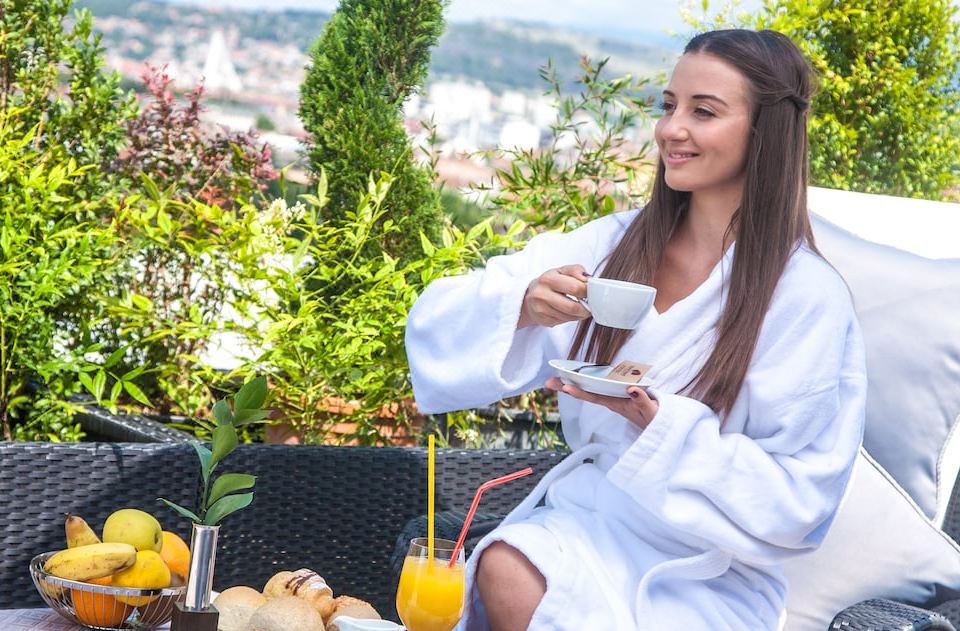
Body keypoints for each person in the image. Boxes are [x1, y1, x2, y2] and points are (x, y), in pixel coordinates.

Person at [405, 28, 867, 630]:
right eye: (669, 106)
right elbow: (435, 320)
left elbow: (801, 497)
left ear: (765, 131)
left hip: (710, 571)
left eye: (703, 112)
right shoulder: (613, 245)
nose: (672, 129)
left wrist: (664, 427)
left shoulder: (805, 297)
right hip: (586, 525)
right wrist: (523, 305)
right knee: (507, 566)